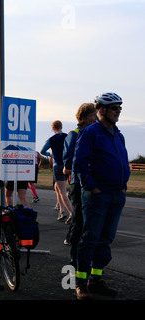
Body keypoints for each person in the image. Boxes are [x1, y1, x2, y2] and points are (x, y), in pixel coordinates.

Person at [72, 92, 130, 300]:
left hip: (116, 195)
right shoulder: (90, 132)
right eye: (115, 108)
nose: (118, 111)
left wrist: (123, 186)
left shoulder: (118, 134)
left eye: (120, 108)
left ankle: (96, 280)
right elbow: (79, 164)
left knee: (105, 241)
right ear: (102, 110)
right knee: (90, 240)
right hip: (97, 196)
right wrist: (92, 187)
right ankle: (80, 283)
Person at [62, 103, 97, 260]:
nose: (96, 118)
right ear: (82, 118)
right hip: (79, 182)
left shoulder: (96, 133)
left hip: (95, 182)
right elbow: (69, 160)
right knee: (79, 219)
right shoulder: (74, 134)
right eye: (93, 115)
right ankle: (74, 259)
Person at [41, 120, 73, 222]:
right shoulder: (67, 136)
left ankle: (71, 213)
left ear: (53, 128)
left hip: (58, 165)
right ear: (61, 126)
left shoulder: (52, 139)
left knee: (62, 191)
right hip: (67, 165)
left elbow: (42, 151)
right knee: (57, 188)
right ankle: (61, 210)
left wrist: (50, 155)